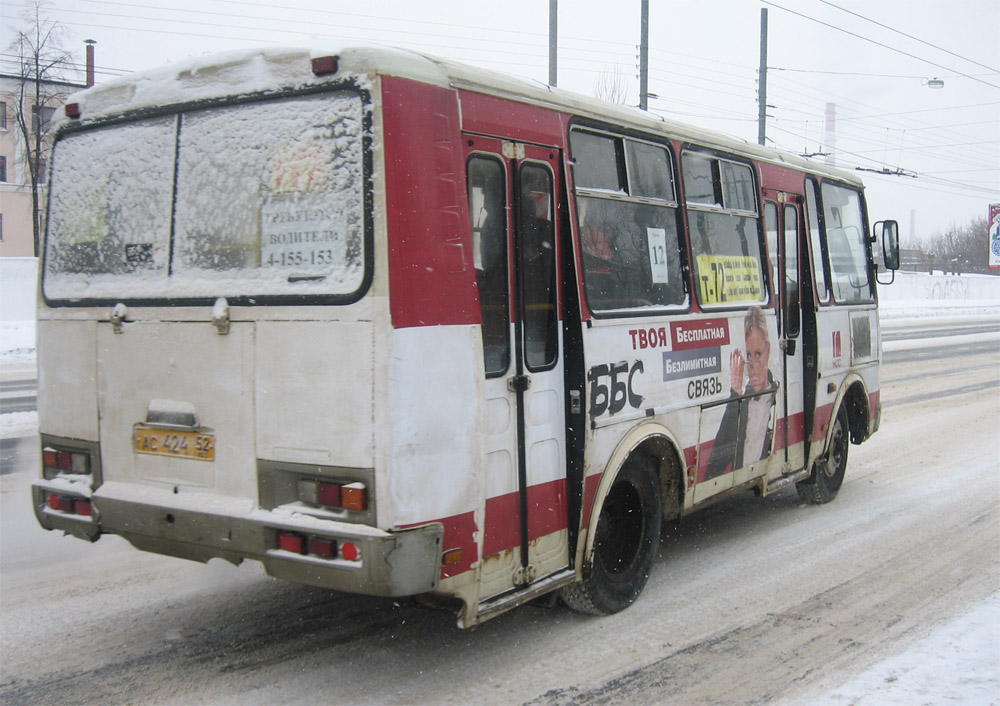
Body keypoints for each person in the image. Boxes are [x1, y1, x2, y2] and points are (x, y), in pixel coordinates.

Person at [705, 305, 776, 480]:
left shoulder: (777, 398)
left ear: (768, 351)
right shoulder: (742, 403)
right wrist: (735, 395)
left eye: (758, 354)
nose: (753, 366)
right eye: (749, 355)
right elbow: (713, 469)